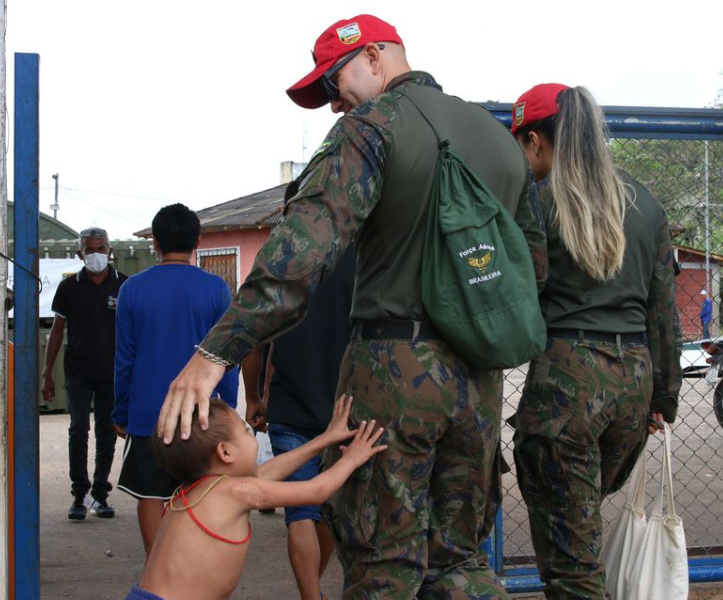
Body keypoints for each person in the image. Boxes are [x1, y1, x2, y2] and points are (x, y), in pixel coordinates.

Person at [155, 14, 546, 600]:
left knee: (384, 565)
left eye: (335, 84)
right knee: (461, 563)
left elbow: (301, 253)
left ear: (374, 57)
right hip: (479, 381)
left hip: (395, 371)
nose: (337, 105)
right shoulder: (499, 140)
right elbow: (531, 268)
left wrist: (216, 353)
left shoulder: (373, 127)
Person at [508, 83, 681, 600]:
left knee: (571, 564)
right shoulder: (643, 202)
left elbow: (521, 297)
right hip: (632, 383)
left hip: (567, 387)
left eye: (523, 147)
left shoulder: (537, 202)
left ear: (536, 141)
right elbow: (663, 313)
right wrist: (663, 397)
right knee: (581, 525)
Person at [125, 396, 385, 600]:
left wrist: (323, 440)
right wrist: (351, 458)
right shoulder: (232, 493)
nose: (253, 437)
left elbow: (268, 472)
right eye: (245, 431)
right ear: (226, 452)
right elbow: (316, 490)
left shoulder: (198, 490)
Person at [113, 204, 240, 556]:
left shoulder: (132, 290)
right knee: (199, 494)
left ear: (154, 242)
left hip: (148, 415)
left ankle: (157, 574)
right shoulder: (217, 290)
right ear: (197, 241)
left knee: (151, 496)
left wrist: (120, 411)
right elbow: (227, 358)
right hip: (201, 414)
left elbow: (124, 358)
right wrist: (226, 411)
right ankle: (192, 569)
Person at [243, 222, 356, 600]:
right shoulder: (364, 256)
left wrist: (254, 398)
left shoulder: (279, 262)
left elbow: (256, 340)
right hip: (346, 406)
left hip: (290, 404)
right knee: (325, 506)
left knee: (301, 510)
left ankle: (310, 595)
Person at [43, 226, 126, 520]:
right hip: (78, 371)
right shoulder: (69, 288)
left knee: (107, 434)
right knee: (78, 429)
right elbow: (56, 331)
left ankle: (101, 496)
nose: (95, 255)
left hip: (112, 373)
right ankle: (79, 495)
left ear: (110, 251)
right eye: (89, 250)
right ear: (80, 254)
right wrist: (47, 373)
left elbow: (135, 333)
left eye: (100, 249)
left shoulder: (124, 286)